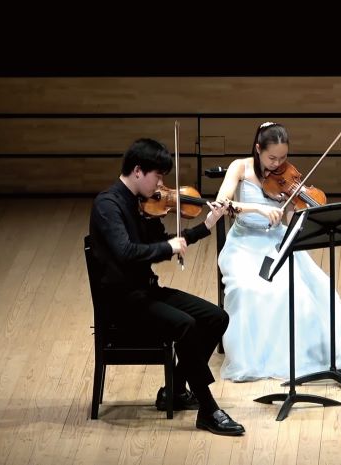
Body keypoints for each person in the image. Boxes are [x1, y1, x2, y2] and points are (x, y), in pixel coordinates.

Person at [89, 138, 244, 435]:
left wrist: (206, 225)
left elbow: (163, 244)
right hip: (122, 303)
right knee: (185, 325)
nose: (161, 184)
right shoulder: (108, 205)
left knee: (216, 317)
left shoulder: (142, 205)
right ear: (138, 171)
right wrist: (167, 247)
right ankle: (208, 409)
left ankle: (175, 390)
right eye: (158, 175)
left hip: (145, 292)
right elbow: (126, 252)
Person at [215, 121, 341, 381]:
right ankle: (256, 358)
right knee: (249, 289)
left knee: (310, 289)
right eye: (272, 158)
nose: (278, 164)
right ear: (258, 149)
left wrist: (297, 210)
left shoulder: (287, 177)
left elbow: (290, 220)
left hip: (276, 241)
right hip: (244, 244)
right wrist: (258, 208)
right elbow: (222, 203)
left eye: (283, 158)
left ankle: (303, 357)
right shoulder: (240, 167)